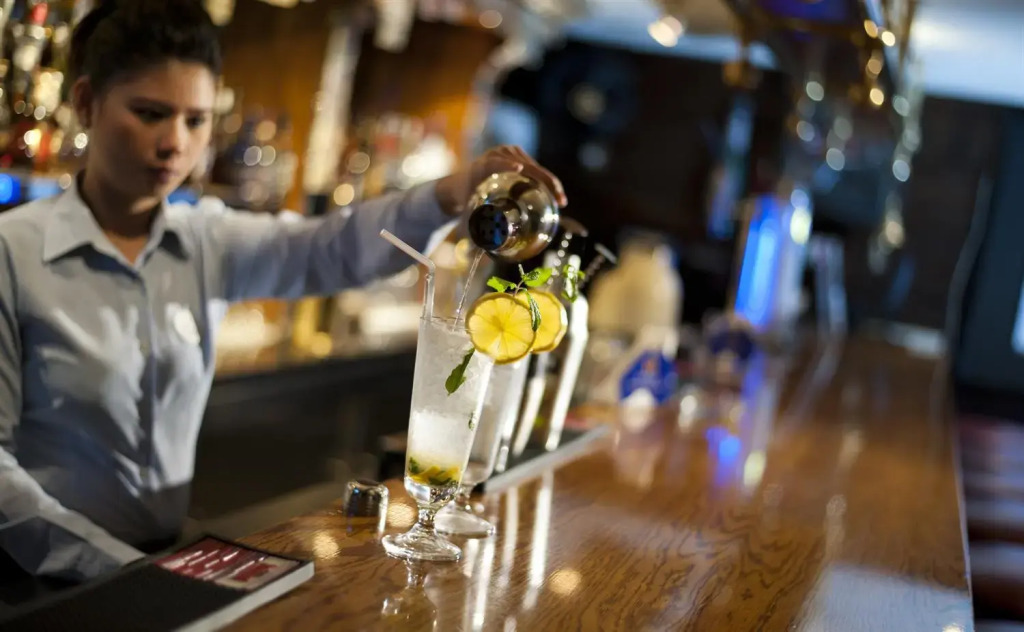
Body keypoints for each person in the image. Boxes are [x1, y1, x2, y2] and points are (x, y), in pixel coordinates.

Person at [0, 0, 566, 583]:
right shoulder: (12, 254)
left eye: (196, 120)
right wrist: (115, 571)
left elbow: (330, 248)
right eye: (150, 113)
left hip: (157, 562)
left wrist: (451, 192)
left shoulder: (204, 239)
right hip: (37, 582)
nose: (175, 143)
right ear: (86, 103)